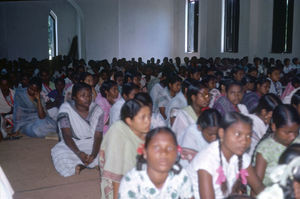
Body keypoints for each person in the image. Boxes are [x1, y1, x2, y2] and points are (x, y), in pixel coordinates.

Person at [187, 112, 264, 199]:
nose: (244, 141)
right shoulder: (206, 160)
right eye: (238, 134)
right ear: (221, 133)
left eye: (248, 136)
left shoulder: (242, 157)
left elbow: (258, 187)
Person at [118, 127, 194, 198]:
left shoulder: (180, 175)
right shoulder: (132, 181)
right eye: (157, 147)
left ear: (177, 153)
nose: (164, 153)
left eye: (170, 148)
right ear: (145, 152)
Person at [100, 99, 151, 199]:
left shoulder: (143, 131)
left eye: (149, 116)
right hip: (119, 186)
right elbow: (116, 175)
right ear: (129, 120)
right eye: (143, 117)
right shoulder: (118, 133)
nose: (148, 121)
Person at [51, 82, 104, 177]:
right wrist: (79, 153)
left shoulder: (97, 110)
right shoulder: (66, 109)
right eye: (83, 95)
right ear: (74, 97)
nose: (87, 98)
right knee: (60, 154)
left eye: (89, 95)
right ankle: (91, 163)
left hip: (92, 143)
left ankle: (86, 164)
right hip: (73, 144)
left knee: (109, 151)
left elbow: (98, 136)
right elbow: (66, 135)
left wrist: (94, 154)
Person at [254, 104, 300, 188]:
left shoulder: (298, 141)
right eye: (287, 132)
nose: (293, 136)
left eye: (296, 131)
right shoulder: (265, 150)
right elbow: (256, 186)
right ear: (274, 127)